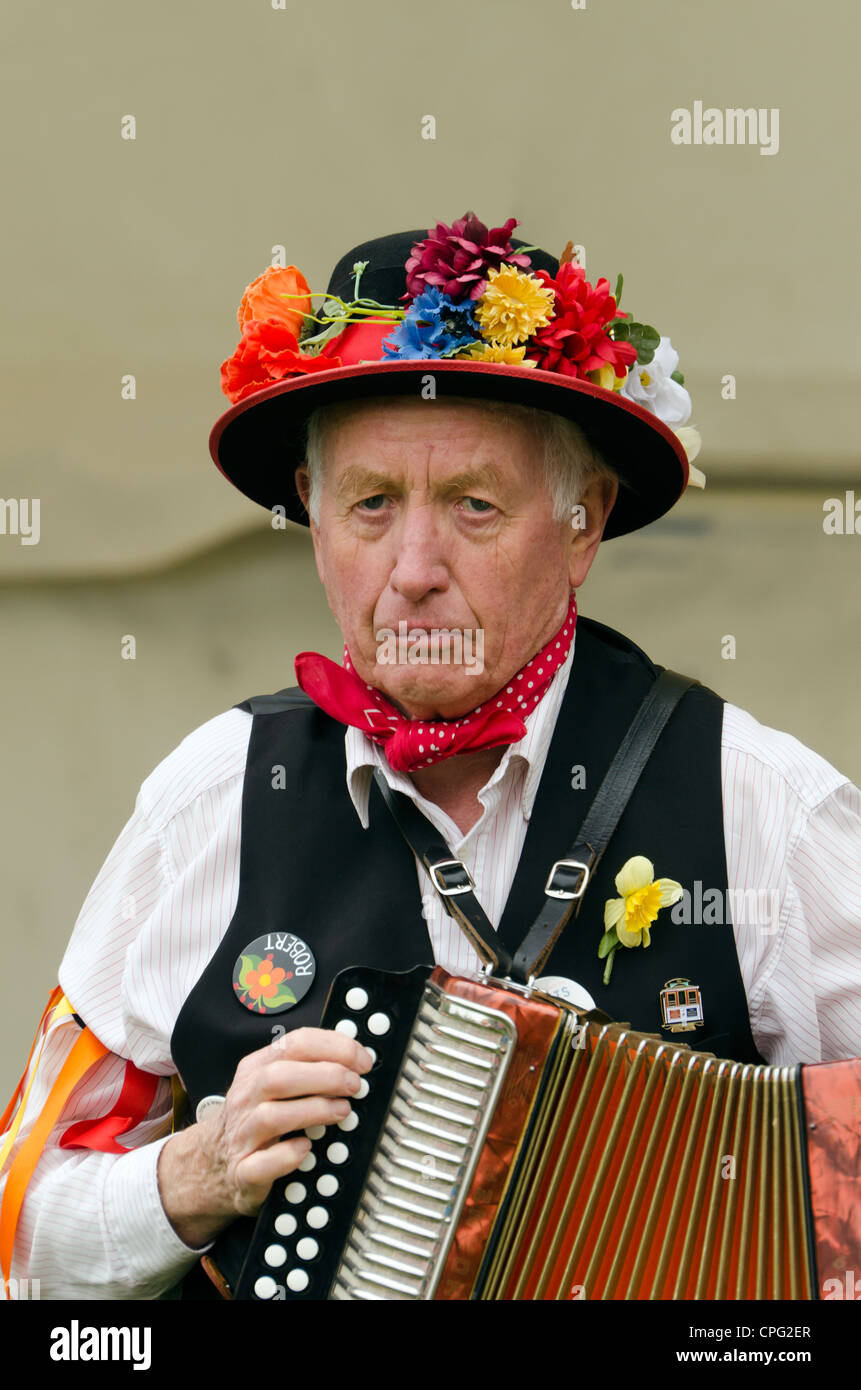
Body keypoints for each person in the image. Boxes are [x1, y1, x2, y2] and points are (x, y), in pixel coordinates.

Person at [2, 213, 860, 1301]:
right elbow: (22, 1229)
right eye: (370, 505)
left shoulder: (761, 804)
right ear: (313, 518)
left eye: (473, 506)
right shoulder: (209, 799)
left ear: (584, 521)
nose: (414, 569)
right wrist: (195, 1173)